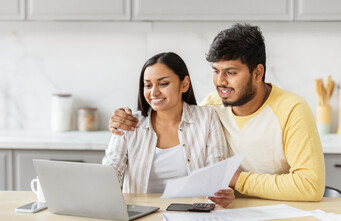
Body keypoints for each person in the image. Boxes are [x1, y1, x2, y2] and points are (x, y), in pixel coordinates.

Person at [108, 24, 326, 202]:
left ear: (257, 72)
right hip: (229, 212)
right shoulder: (213, 107)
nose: (220, 81)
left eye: (230, 72)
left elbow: (310, 185)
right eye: (216, 71)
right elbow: (176, 115)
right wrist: (120, 120)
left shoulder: (291, 110)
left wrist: (236, 179)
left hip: (281, 211)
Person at [103, 52, 234, 207]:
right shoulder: (129, 122)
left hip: (192, 215)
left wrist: (221, 193)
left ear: (184, 84)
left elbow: (215, 175)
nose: (154, 92)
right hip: (140, 214)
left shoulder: (207, 118)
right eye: (148, 85)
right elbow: (111, 171)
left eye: (163, 84)